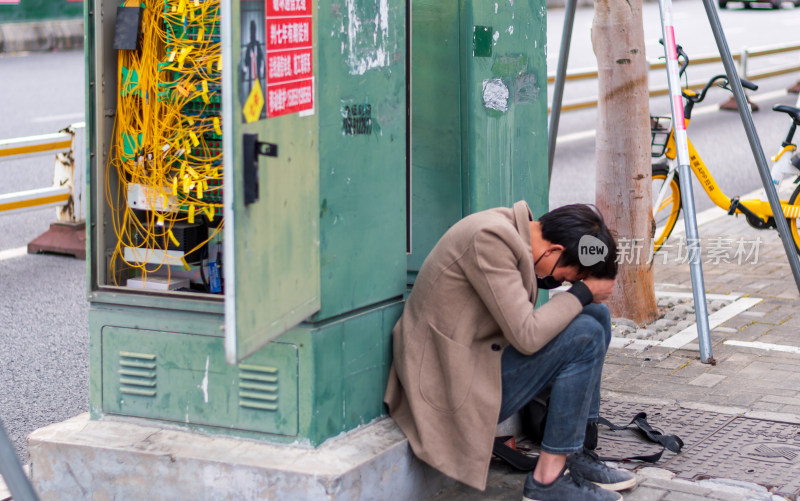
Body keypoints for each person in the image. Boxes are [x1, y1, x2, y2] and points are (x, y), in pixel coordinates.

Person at [384, 201, 635, 501]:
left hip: (472, 360)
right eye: (564, 276)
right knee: (586, 334)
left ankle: (574, 452)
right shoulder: (490, 239)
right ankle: (547, 480)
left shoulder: (515, 232)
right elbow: (527, 336)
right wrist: (582, 292)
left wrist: (583, 295)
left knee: (597, 316)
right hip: (443, 386)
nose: (558, 282)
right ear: (554, 250)